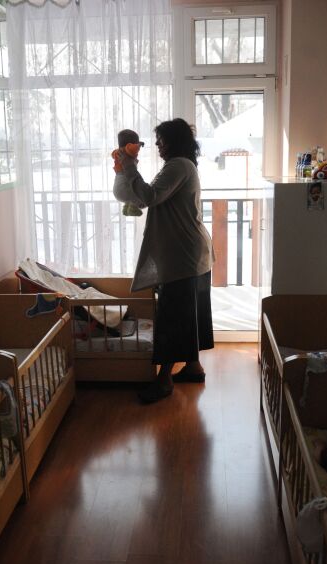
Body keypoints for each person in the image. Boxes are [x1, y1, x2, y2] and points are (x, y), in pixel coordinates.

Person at [113, 118, 214, 404]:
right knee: (190, 313)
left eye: (161, 139)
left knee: (172, 316)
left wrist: (129, 161)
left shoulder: (178, 165)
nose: (156, 144)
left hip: (183, 255)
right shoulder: (183, 165)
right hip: (192, 253)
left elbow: (148, 196)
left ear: (173, 141)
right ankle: (193, 367)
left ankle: (164, 380)